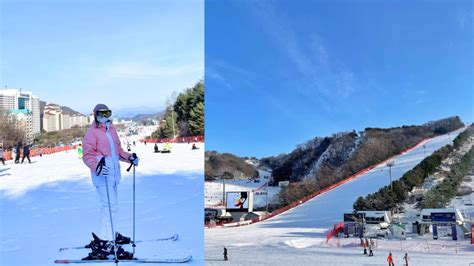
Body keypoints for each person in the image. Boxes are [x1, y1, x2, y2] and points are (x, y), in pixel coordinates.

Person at [82, 104, 139, 260]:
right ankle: (105, 242)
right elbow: (87, 156)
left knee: (110, 207)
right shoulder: (91, 133)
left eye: (107, 113)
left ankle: (108, 234)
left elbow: (118, 152)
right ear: (94, 115)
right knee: (110, 206)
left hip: (113, 175)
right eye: (100, 113)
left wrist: (130, 158)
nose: (104, 116)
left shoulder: (112, 130)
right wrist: (97, 167)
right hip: (102, 175)